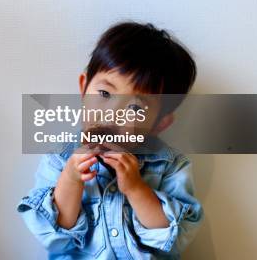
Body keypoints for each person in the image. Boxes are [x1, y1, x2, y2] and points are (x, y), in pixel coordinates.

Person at [17, 22, 203, 259]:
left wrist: (136, 189)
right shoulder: (59, 160)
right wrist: (72, 179)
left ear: (159, 124)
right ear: (84, 89)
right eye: (105, 94)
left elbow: (176, 238)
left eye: (135, 107)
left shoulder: (170, 166)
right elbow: (55, 237)